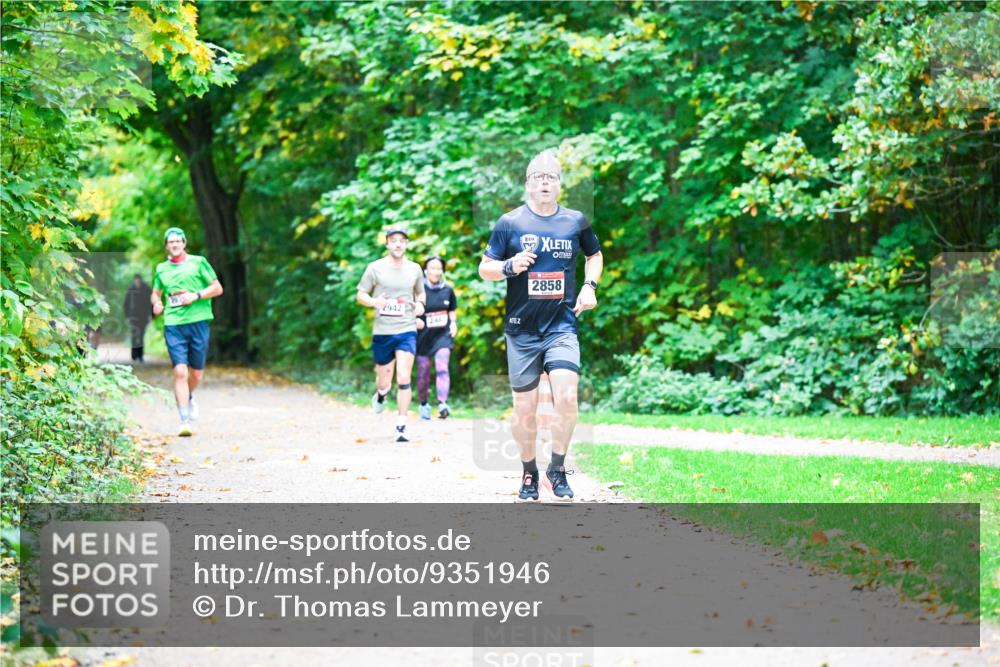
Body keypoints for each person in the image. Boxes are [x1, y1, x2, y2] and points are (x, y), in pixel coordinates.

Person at [478, 150, 603, 501]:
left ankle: (558, 468)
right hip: (521, 330)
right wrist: (509, 265)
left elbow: (595, 256)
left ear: (560, 185)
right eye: (538, 177)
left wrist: (589, 287)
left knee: (566, 396)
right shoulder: (510, 223)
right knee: (525, 410)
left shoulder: (576, 221)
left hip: (561, 326)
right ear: (528, 185)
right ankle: (529, 472)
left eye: (551, 177)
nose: (544, 182)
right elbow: (484, 267)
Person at [151, 227, 224, 437]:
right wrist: (156, 304)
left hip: (198, 322)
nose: (174, 244)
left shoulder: (198, 262)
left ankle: (189, 395)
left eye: (177, 241)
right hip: (173, 325)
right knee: (180, 372)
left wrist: (196, 295)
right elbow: (156, 293)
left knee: (196, 374)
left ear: (184, 243)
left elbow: (218, 288)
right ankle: (184, 420)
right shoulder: (161, 269)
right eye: (170, 242)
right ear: (166, 245)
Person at [356, 226, 426, 443]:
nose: (398, 244)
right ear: (387, 243)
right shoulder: (374, 268)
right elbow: (361, 294)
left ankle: (401, 426)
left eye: (402, 240)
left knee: (404, 376)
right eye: (393, 240)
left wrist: (421, 306)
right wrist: (375, 302)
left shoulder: (414, 269)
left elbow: (420, 292)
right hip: (383, 330)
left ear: (406, 244)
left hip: (406, 329)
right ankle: (381, 394)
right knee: (384, 381)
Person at [415, 256, 458, 420]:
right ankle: (424, 404)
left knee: (442, 367)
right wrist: (415, 321)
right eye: (432, 268)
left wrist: (453, 323)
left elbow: (452, 310)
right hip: (423, 336)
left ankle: (443, 404)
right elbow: (411, 310)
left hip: (442, 335)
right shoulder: (419, 291)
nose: (436, 271)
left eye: (439, 268)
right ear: (426, 270)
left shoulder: (448, 289)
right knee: (423, 372)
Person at [123, 274, 152, 362]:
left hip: (143, 316)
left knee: (141, 335)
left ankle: (140, 355)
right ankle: (134, 355)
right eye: (136, 280)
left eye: (138, 280)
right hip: (133, 316)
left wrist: (151, 315)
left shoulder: (147, 289)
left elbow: (151, 303)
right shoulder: (131, 289)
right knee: (134, 335)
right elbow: (126, 304)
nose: (137, 282)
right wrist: (127, 316)